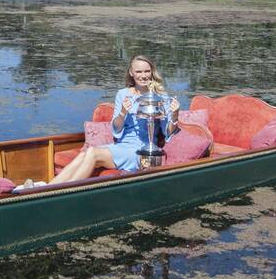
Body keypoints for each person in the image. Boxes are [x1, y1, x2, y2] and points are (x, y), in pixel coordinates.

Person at [49, 55, 180, 184]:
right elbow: (116, 129)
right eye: (138, 71)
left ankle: (62, 191)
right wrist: (123, 112)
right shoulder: (122, 94)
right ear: (131, 73)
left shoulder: (160, 96)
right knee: (85, 154)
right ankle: (47, 188)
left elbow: (167, 132)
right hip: (122, 146)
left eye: (147, 71)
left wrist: (175, 114)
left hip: (141, 151)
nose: (143, 75)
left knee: (93, 153)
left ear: (152, 72)